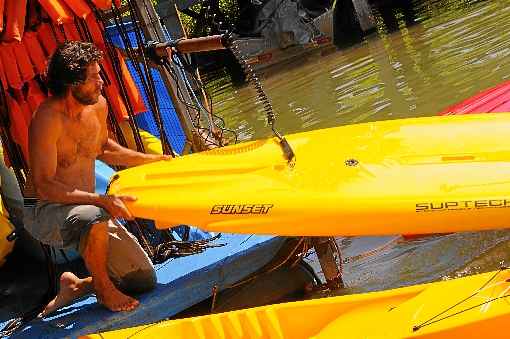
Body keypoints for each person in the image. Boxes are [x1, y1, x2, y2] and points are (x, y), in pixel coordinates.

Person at [23, 41, 169, 314]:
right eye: (94, 77)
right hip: (44, 209)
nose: (102, 83)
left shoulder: (98, 105)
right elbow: (43, 185)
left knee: (141, 280)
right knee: (95, 214)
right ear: (72, 82)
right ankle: (103, 290)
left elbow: (102, 147)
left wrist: (153, 160)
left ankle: (78, 285)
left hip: (87, 206)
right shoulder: (46, 119)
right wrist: (101, 200)